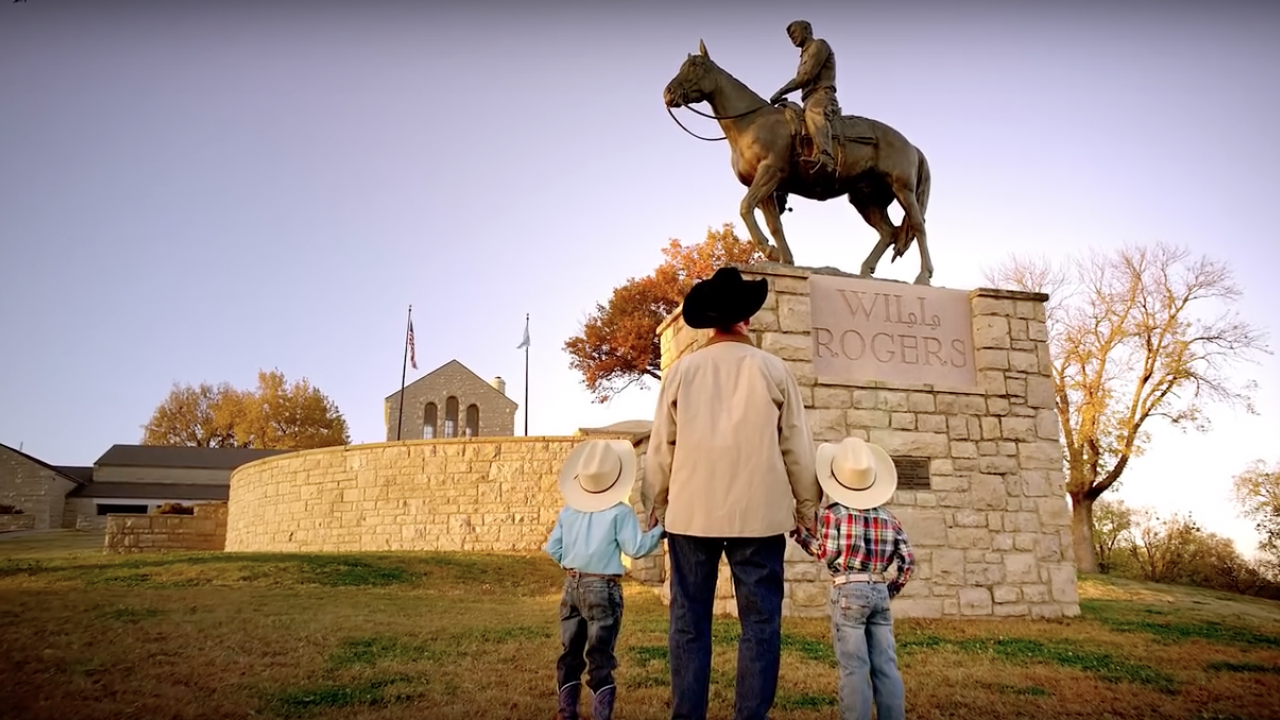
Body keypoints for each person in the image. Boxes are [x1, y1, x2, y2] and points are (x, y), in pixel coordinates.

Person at [643, 266, 822, 720]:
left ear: (711, 321)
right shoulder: (774, 370)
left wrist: (656, 502)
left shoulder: (681, 373)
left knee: (688, 623)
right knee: (760, 623)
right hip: (759, 516)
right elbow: (796, 446)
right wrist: (807, 508)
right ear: (746, 318)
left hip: (691, 514)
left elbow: (662, 444)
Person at [792, 436, 915, 720]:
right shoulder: (889, 518)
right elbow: (907, 561)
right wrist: (891, 589)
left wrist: (802, 536)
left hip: (848, 590)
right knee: (886, 664)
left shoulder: (834, 515)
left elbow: (826, 552)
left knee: (854, 667)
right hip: (879, 587)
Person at [544, 438, 667, 720]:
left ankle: (567, 712)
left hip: (571, 585)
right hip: (602, 587)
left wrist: (572, 563)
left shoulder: (569, 511)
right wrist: (659, 530)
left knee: (570, 652)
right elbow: (634, 548)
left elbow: (553, 548)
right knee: (600, 655)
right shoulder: (618, 512)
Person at [769, 19, 840, 173]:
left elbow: (805, 77)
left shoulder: (819, 46)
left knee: (814, 114)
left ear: (807, 30)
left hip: (822, 96)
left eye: (794, 32)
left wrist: (781, 92)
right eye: (790, 36)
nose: (792, 37)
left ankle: (825, 156)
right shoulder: (803, 56)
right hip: (807, 100)